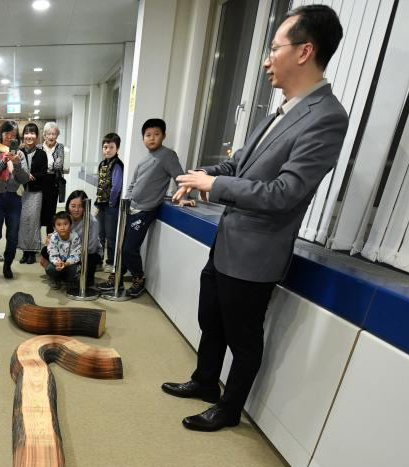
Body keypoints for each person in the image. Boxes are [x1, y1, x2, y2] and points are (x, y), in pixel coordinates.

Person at [162, 4, 348, 432]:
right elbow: (238, 166)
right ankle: (204, 381)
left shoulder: (326, 117)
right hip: (228, 242)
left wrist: (214, 186)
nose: (266, 60)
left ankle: (229, 409)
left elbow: (285, 193)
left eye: (274, 48)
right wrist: (200, 175)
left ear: (304, 51)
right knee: (211, 318)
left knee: (243, 337)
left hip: (257, 253)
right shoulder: (278, 112)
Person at [97, 118, 184, 298]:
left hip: (146, 210)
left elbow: (180, 178)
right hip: (131, 208)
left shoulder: (168, 155)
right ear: (143, 138)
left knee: (129, 249)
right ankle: (117, 278)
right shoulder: (145, 159)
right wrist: (127, 201)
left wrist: (183, 198)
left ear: (164, 136)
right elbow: (132, 184)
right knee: (121, 246)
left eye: (156, 134)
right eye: (148, 135)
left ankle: (139, 278)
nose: (152, 138)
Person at [0, 119, 30, 281]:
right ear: (1, 134)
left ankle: (7, 264)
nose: (10, 137)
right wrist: (3, 162)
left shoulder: (20, 154)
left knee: (13, 235)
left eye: (13, 135)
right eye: (7, 133)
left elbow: (24, 178)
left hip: (14, 197)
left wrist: (17, 164)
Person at [17, 122, 46, 264]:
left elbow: (44, 173)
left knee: (34, 221)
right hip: (21, 191)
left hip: (35, 192)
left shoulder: (41, 153)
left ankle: (32, 252)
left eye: (32, 133)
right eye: (27, 133)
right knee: (22, 221)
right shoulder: (18, 152)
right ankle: (24, 251)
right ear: (23, 136)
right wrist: (24, 176)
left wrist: (31, 176)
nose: (29, 136)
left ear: (37, 136)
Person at [94, 133, 123, 271]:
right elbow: (100, 185)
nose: (108, 150)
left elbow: (116, 187)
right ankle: (98, 261)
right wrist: (97, 203)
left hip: (112, 206)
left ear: (117, 149)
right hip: (101, 205)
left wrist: (111, 202)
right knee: (100, 234)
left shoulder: (117, 164)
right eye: (105, 147)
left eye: (111, 147)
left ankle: (111, 262)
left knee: (111, 236)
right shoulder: (102, 164)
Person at [39, 122, 66, 235]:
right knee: (38, 212)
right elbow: (36, 166)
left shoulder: (60, 147)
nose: (51, 136)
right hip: (39, 183)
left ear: (57, 135)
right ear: (44, 135)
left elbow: (58, 165)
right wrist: (48, 165)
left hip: (53, 183)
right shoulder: (39, 147)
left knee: (51, 212)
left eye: (53, 134)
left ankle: (50, 241)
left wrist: (43, 166)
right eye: (48, 134)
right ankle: (36, 240)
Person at [44, 211, 81, 289]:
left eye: (65, 224)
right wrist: (58, 263)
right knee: (50, 269)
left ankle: (69, 280)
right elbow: (52, 253)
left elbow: (76, 254)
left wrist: (66, 263)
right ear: (54, 227)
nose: (62, 227)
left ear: (70, 225)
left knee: (74, 269)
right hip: (58, 263)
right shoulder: (53, 237)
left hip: (69, 263)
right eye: (59, 224)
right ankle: (56, 280)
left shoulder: (75, 236)